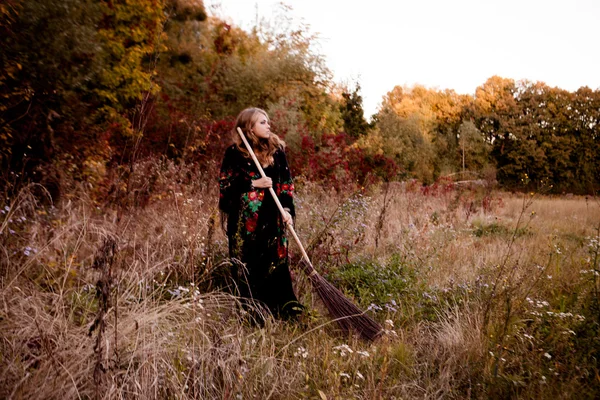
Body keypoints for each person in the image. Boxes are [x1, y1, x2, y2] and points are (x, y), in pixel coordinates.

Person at [219, 107, 303, 321]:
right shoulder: (234, 154)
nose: (268, 125)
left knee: (276, 264)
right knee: (249, 265)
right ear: (250, 128)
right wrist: (253, 183)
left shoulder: (277, 151)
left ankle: (285, 312)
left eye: (268, 121)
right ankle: (253, 315)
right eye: (262, 122)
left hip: (273, 219)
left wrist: (286, 210)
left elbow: (286, 185)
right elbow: (226, 188)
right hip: (245, 223)